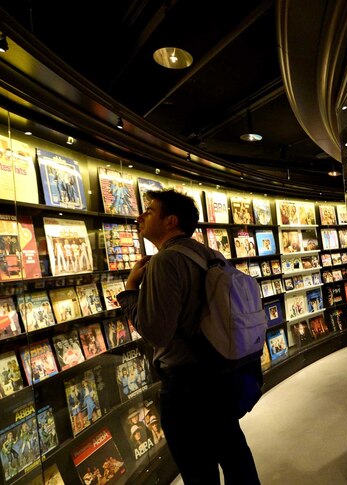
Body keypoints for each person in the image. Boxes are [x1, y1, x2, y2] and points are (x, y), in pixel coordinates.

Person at [118, 189, 259, 485]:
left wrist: (130, 290)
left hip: (186, 386)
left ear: (171, 221)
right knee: (234, 454)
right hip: (222, 372)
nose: (141, 216)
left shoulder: (165, 261)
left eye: (150, 211)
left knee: (198, 470)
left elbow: (156, 331)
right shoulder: (210, 254)